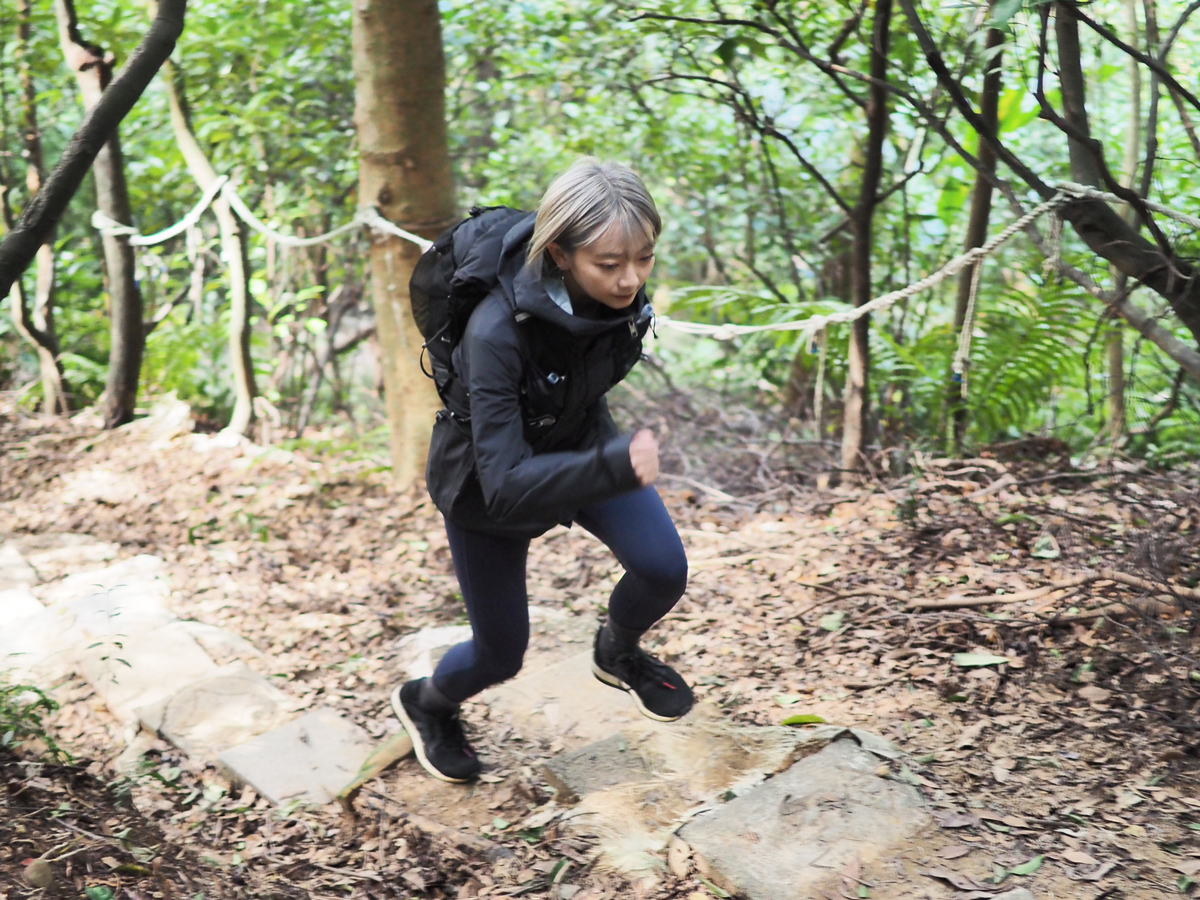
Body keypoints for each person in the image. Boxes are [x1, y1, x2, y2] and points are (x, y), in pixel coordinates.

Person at [391, 158, 693, 783]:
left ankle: (617, 651)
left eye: (644, 258)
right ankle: (427, 703)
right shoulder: (495, 332)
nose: (630, 279)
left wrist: (599, 456)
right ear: (558, 253)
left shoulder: (620, 300)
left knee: (663, 570)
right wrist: (612, 464)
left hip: (580, 440)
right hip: (487, 484)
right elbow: (504, 484)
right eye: (609, 264)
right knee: (501, 655)